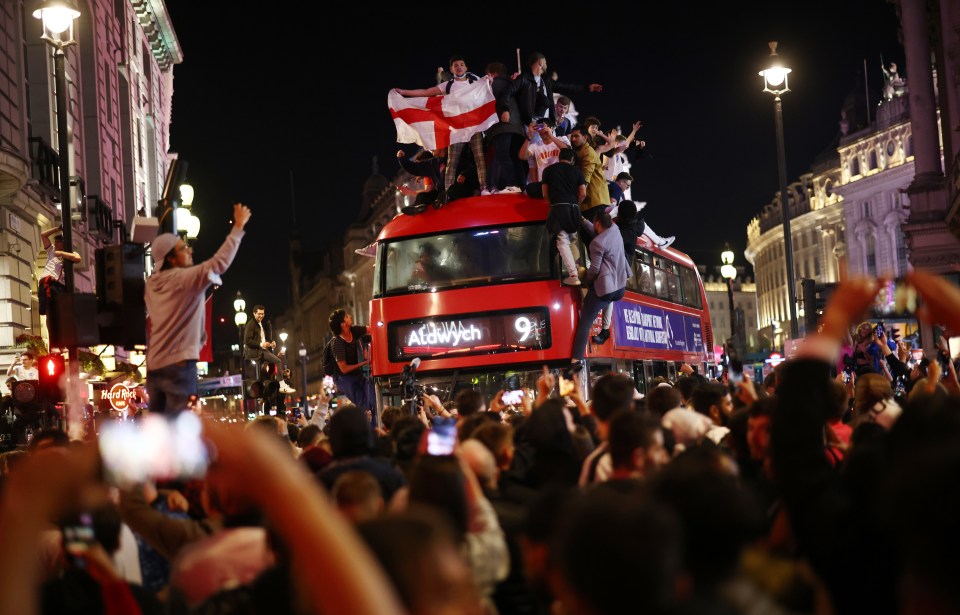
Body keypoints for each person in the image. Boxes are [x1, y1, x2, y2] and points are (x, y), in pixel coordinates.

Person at [144, 203, 251, 414]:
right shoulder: (185, 278)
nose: (190, 250)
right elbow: (219, 262)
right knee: (181, 428)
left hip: (154, 366)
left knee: (160, 429)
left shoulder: (151, 284)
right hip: (180, 365)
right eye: (183, 249)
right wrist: (238, 227)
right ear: (172, 258)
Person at [394, 55, 491, 204]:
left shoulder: (474, 80)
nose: (459, 67)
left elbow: (489, 87)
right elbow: (427, 92)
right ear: (451, 69)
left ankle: (484, 188)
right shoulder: (448, 85)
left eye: (461, 64)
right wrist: (405, 92)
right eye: (456, 65)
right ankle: (447, 191)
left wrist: (492, 80)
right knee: (452, 161)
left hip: (474, 126)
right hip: (457, 130)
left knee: (479, 157)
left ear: (466, 68)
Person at [568, 213, 629, 375]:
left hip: (606, 289)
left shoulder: (597, 243)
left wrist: (586, 280)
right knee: (606, 302)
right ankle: (605, 329)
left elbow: (594, 270)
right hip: (619, 287)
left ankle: (576, 360)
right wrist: (583, 221)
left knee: (585, 323)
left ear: (597, 224)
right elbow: (599, 233)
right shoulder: (615, 230)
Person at [541, 148, 587, 286]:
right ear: (572, 159)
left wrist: (553, 203)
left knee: (562, 241)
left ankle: (573, 274)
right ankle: (577, 266)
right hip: (574, 208)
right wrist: (575, 203)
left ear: (559, 157)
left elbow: (544, 194)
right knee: (572, 239)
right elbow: (583, 193)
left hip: (558, 207)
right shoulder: (577, 172)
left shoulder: (548, 170)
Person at [328, 309, 377, 418]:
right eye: (346, 316)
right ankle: (369, 428)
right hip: (343, 378)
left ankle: (374, 425)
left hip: (357, 372)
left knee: (373, 399)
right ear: (343, 324)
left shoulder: (354, 330)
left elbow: (372, 328)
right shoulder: (337, 343)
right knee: (364, 405)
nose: (349, 316)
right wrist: (364, 363)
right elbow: (344, 369)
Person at [243, 305, 295, 394]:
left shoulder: (262, 323)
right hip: (254, 352)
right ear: (254, 313)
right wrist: (261, 344)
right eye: (259, 314)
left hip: (261, 349)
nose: (261, 316)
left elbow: (264, 339)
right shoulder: (251, 325)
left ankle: (273, 386)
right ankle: (282, 385)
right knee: (278, 361)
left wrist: (271, 343)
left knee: (274, 361)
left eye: (262, 314)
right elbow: (247, 341)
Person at [37, 225, 81, 317]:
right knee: (48, 310)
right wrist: (57, 229)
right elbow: (43, 235)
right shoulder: (51, 250)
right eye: (55, 242)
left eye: (58, 242)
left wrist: (61, 253)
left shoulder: (69, 253)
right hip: (48, 281)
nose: (56, 244)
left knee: (60, 310)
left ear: (64, 243)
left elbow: (77, 258)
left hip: (58, 285)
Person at [569, 125, 610, 221]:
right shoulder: (582, 151)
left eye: (576, 136)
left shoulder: (587, 152)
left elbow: (585, 178)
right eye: (572, 137)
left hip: (594, 201)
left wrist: (577, 203)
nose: (573, 139)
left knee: (591, 234)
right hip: (593, 201)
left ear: (585, 137)